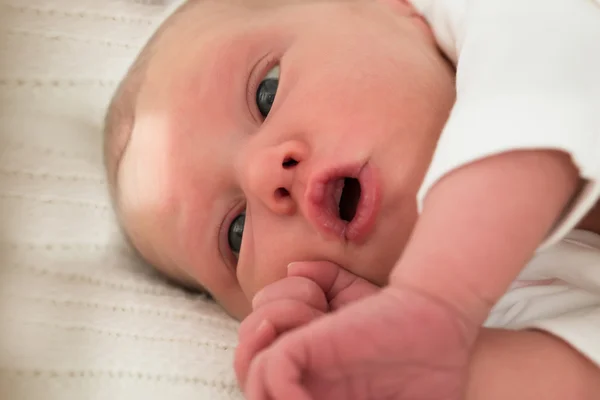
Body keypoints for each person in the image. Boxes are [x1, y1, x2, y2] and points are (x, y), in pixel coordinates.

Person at [103, 0, 600, 398]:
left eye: (267, 92)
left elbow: (549, 84)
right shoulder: (498, 310)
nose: (263, 175)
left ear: (390, 8)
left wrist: (433, 298)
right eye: (235, 233)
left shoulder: (500, 17)